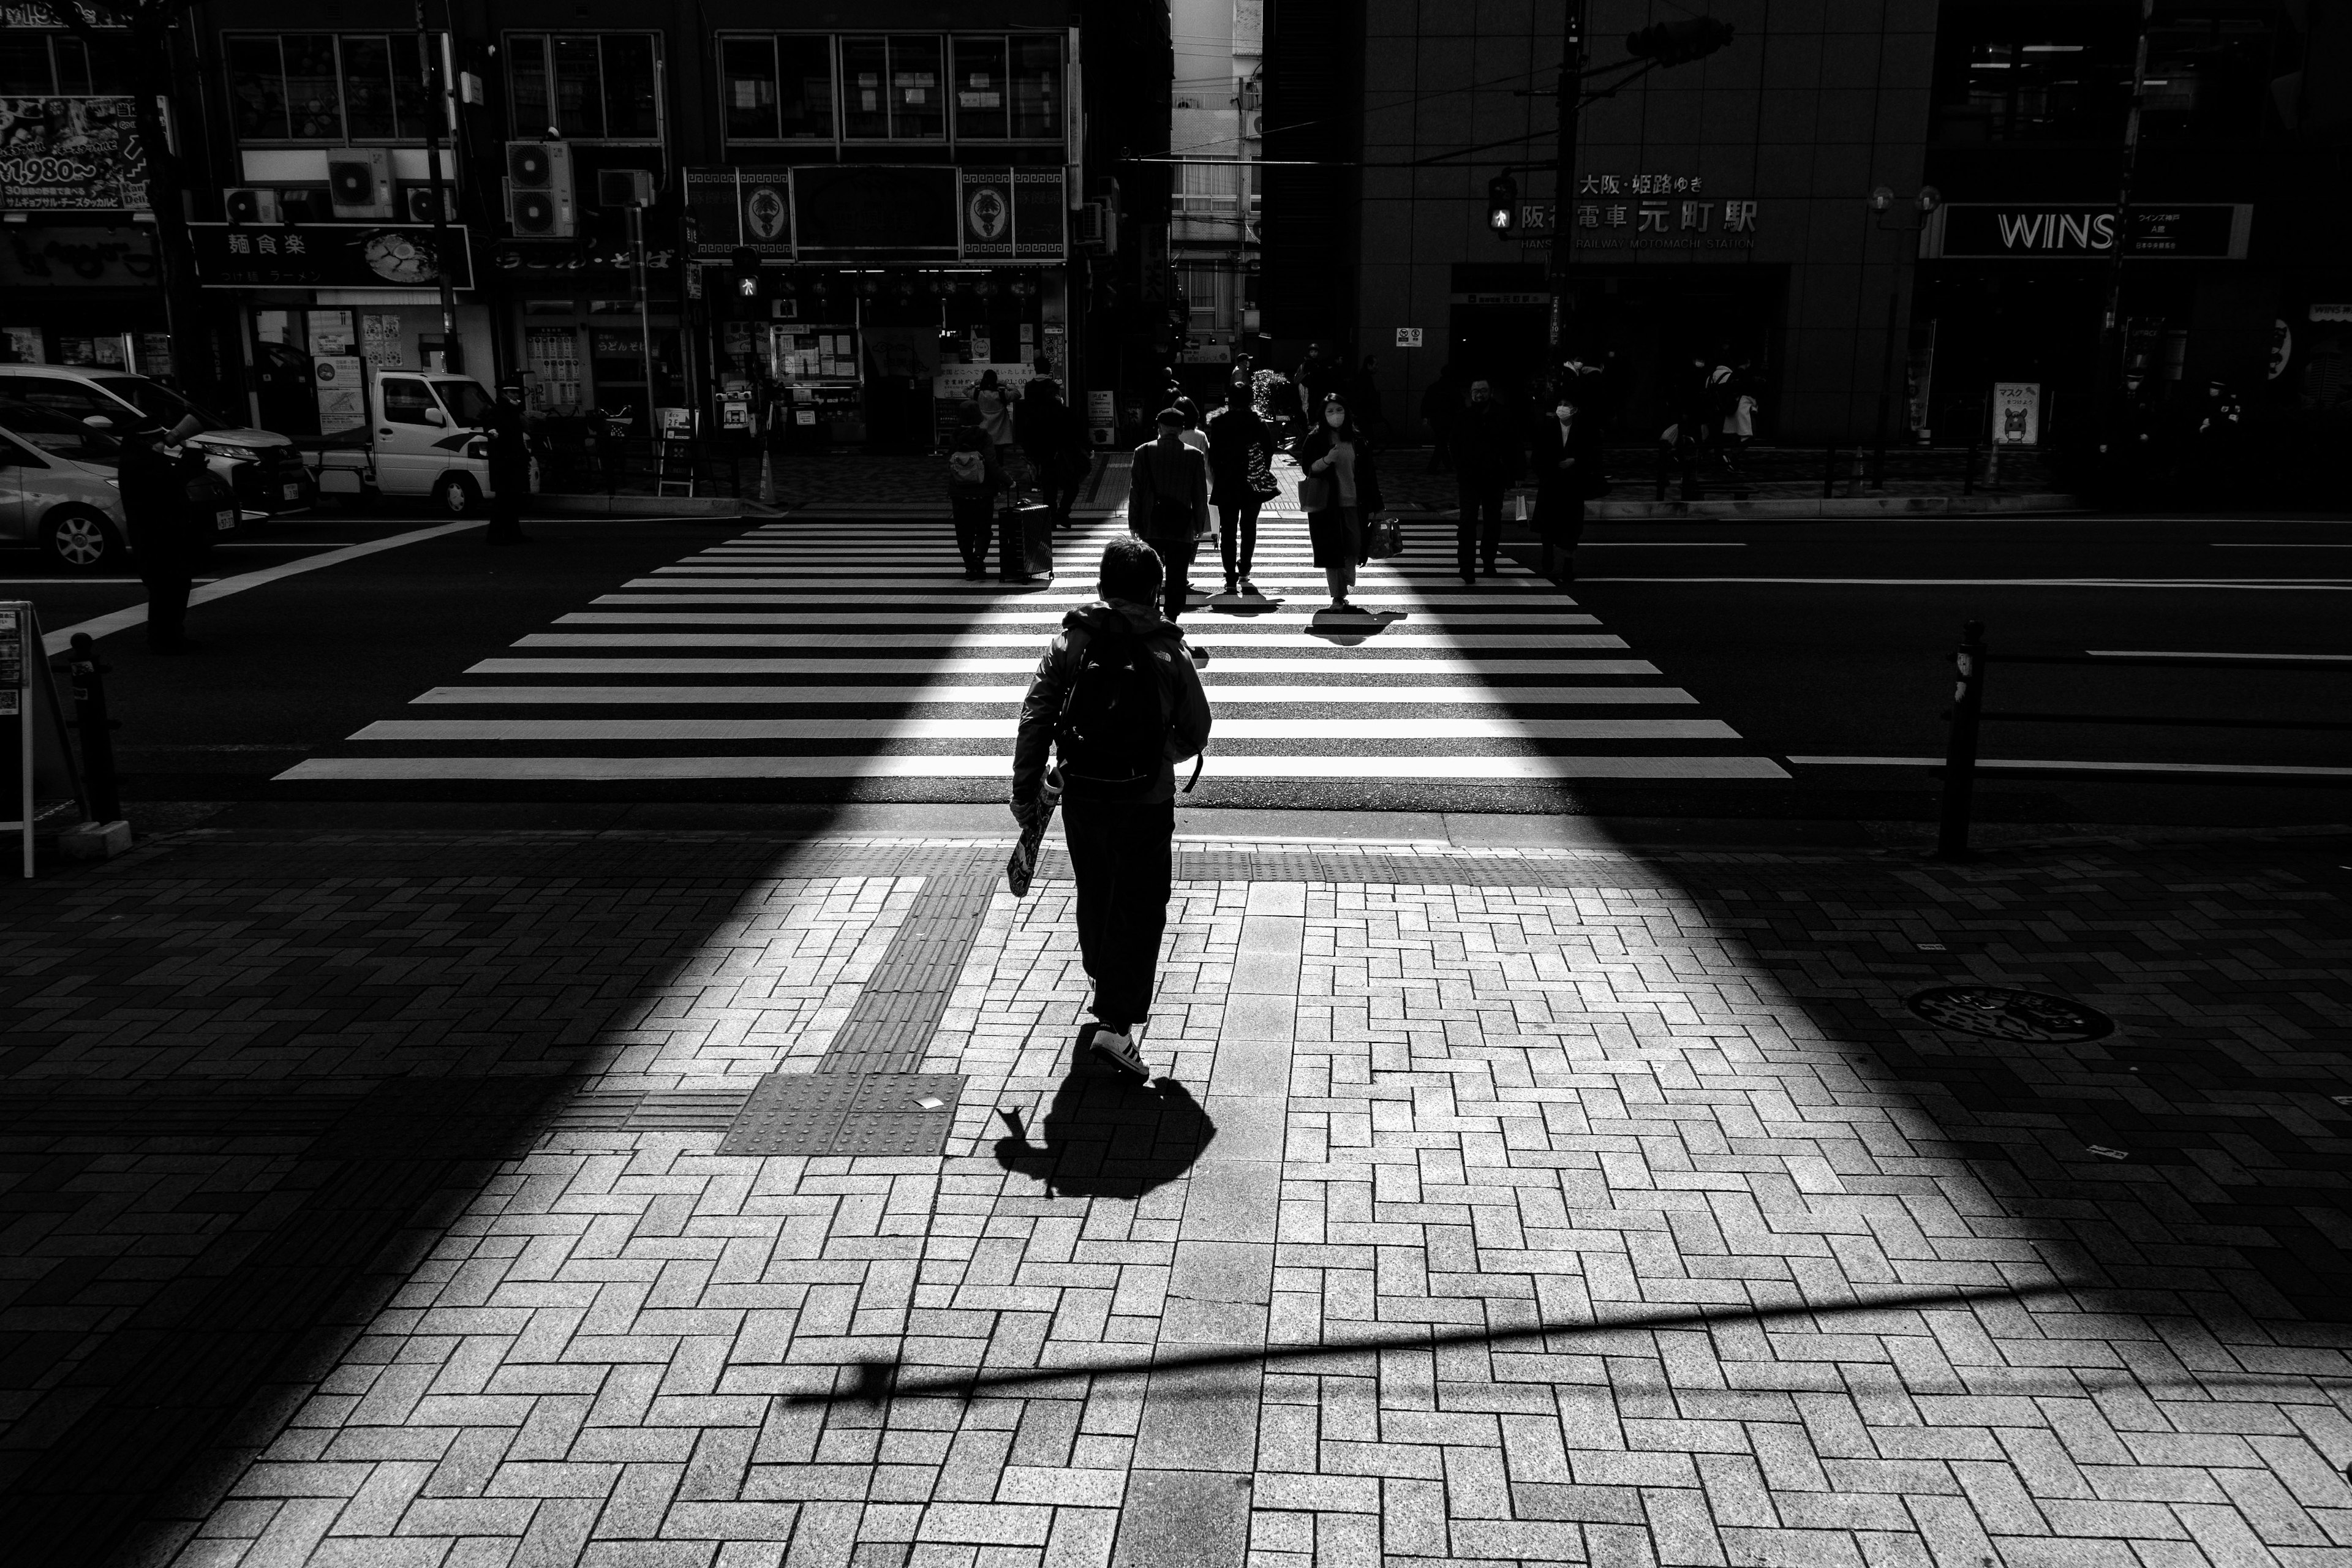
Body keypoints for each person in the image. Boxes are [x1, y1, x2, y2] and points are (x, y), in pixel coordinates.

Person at [1009, 535, 1213, 1079]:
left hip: (1082, 793)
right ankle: (1116, 1026)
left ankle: (1103, 975)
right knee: (1141, 903)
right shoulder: (1168, 649)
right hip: (1146, 799)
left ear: (1101, 586)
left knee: (1097, 887)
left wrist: (1026, 790)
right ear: (1157, 590)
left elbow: (1036, 716)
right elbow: (1197, 730)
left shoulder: (1071, 643)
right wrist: (1153, 753)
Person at [1125, 407, 1213, 652]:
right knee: (1177, 576)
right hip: (1182, 526)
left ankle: (1152, 618)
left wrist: (1134, 524)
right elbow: (1199, 494)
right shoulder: (1194, 455)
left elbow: (1136, 491)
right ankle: (1171, 620)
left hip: (1151, 525)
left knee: (1151, 575)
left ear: (1160, 427)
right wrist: (1199, 525)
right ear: (1182, 429)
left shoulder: (1143, 451)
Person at [118, 418, 207, 652]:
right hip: (156, 536)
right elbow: (167, 486)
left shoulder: (139, 458)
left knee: (169, 587)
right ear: (141, 440)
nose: (161, 443)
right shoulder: (139, 462)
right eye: (154, 439)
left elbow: (170, 483)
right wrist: (190, 461)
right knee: (168, 587)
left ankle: (166, 635)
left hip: (157, 534)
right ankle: (166, 638)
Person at [1297, 391, 1382, 609]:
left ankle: (1343, 585)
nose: (1336, 415)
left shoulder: (1357, 439)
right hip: (1327, 505)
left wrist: (1377, 505)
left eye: (1339, 410)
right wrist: (1327, 460)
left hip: (1355, 502)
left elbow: (1369, 474)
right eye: (1330, 411)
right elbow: (1309, 469)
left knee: (1354, 546)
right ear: (1323, 415)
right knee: (1332, 550)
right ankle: (1337, 596)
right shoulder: (1316, 439)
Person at [1205, 373, 1276, 594]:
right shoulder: (1258, 422)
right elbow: (1269, 450)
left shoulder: (1218, 423)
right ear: (1250, 399)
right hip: (1251, 482)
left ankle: (1229, 577)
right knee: (1249, 527)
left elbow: (1213, 454)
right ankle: (1244, 568)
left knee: (1228, 530)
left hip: (1227, 482)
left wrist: (1219, 473)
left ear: (1229, 399)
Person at [1450, 378, 1521, 584]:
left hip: (1494, 476)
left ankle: (1488, 561)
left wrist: (1516, 474)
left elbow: (1513, 445)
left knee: (1492, 521)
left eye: (1482, 390)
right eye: (1475, 391)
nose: (1479, 395)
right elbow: (1454, 445)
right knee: (1467, 521)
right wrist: (1461, 467)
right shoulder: (1464, 416)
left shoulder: (1503, 415)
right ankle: (1467, 565)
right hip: (1470, 477)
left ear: (1491, 392)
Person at [1530, 390, 1603, 584]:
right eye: (1560, 405)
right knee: (1548, 524)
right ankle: (1548, 553)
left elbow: (1593, 455)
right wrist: (1548, 469)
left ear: (1575, 410)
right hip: (1551, 483)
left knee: (1571, 527)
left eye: (1567, 406)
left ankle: (1568, 565)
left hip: (1573, 485)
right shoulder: (1547, 427)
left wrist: (1575, 461)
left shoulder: (1584, 429)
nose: (1562, 409)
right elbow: (1538, 456)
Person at [1016, 377, 1090, 530]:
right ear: (1058, 396)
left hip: (1045, 458)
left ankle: (1051, 520)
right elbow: (1080, 434)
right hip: (1066, 457)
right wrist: (1088, 449)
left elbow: (1028, 436)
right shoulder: (1066, 412)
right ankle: (1063, 512)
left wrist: (1031, 455)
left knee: (1050, 490)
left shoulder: (1038, 414)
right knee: (1072, 487)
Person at [946, 411, 1008, 580]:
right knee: (983, 529)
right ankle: (979, 558)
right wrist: (1007, 480)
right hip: (983, 492)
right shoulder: (983, 436)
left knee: (964, 532)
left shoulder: (955, 436)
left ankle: (969, 566)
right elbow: (991, 462)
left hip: (959, 493)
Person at [484, 376, 533, 546]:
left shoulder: (510, 410)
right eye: (512, 392)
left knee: (508, 500)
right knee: (505, 500)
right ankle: (502, 535)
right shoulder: (500, 411)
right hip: (505, 462)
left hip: (509, 461)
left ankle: (505, 534)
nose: (515, 395)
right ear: (504, 394)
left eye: (516, 392)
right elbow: (494, 435)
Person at [1420, 363, 1463, 473]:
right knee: (1442, 442)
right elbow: (1460, 404)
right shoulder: (1454, 388)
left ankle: (1441, 466)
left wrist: (1425, 417)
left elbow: (1426, 403)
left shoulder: (1434, 387)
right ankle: (1438, 466)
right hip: (1449, 418)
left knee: (1441, 442)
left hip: (1436, 419)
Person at [974, 369, 1016, 465]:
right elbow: (1016, 393)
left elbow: (965, 390)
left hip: (983, 431)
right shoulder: (1001, 394)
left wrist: (974, 383)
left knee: (984, 457)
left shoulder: (978, 394)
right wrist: (1006, 384)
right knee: (999, 457)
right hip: (999, 433)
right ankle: (998, 476)